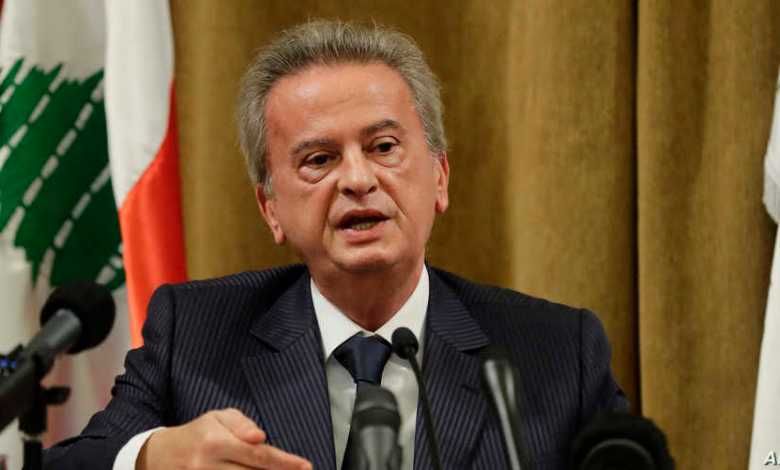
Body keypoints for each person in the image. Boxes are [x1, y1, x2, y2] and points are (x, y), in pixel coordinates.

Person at [44, 20, 627, 470]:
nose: (357, 179)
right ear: (271, 208)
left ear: (440, 178)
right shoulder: (196, 335)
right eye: (319, 159)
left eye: (384, 147)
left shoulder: (554, 352)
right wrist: (153, 457)